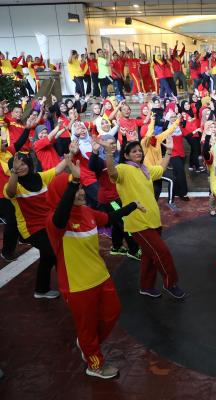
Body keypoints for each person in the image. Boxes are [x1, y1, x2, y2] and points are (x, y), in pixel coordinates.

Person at [46, 159, 141, 379]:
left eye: (81, 188)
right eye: (76, 189)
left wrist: (133, 206)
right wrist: (73, 181)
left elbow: (109, 217)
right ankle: (95, 364)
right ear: (62, 194)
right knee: (87, 327)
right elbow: (60, 217)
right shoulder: (54, 222)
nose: (81, 192)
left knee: (113, 312)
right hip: (77, 285)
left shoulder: (87, 212)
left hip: (101, 276)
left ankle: (87, 344)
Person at [101, 138, 186, 299]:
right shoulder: (123, 168)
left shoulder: (144, 169)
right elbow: (112, 173)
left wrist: (169, 151)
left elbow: (161, 169)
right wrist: (108, 152)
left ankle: (146, 287)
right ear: (126, 155)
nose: (138, 152)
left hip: (153, 220)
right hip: (139, 223)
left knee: (149, 256)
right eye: (134, 151)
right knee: (162, 253)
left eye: (139, 150)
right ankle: (171, 283)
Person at [4, 152, 69, 298]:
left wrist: (70, 154)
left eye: (23, 164)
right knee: (55, 253)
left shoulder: (40, 177)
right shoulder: (13, 185)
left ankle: (41, 290)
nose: (20, 167)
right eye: (16, 165)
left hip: (48, 224)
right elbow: (10, 192)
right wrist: (14, 172)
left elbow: (57, 170)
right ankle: (68, 287)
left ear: (29, 164)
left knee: (48, 257)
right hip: (31, 229)